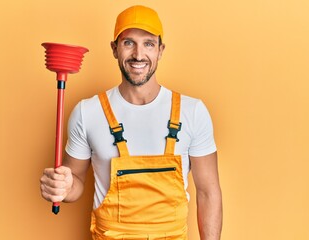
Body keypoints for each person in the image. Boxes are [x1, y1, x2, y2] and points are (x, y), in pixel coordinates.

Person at [40, 5, 222, 240]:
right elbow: (75, 183)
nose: (138, 54)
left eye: (148, 43)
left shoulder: (192, 111)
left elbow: (208, 192)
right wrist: (61, 187)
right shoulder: (88, 112)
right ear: (115, 49)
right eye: (128, 43)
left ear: (160, 50)